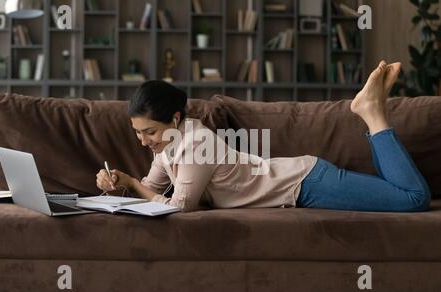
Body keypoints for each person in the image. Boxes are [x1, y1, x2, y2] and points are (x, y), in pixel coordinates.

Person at [96, 61, 431, 213]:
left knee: (412, 199)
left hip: (305, 183)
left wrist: (131, 182)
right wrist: (118, 184)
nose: (143, 141)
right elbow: (151, 192)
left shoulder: (196, 142)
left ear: (175, 118)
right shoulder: (167, 146)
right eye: (138, 134)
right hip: (304, 182)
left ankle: (373, 114)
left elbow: (181, 206)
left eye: (149, 132)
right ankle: (375, 112)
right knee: (399, 195)